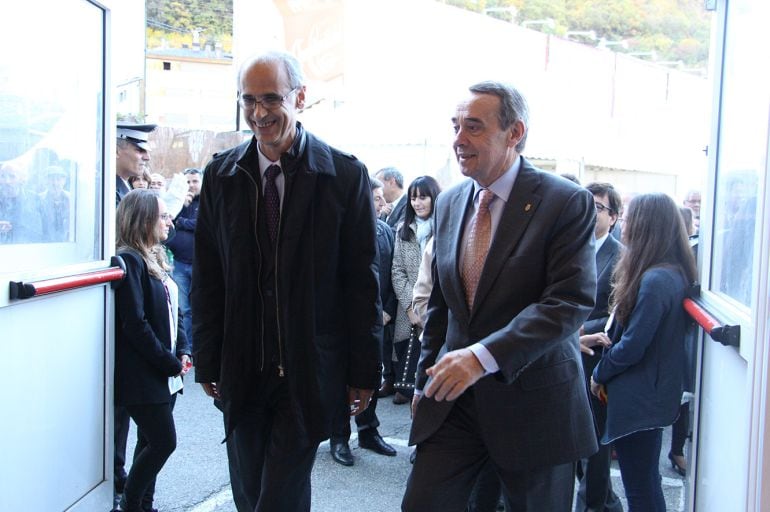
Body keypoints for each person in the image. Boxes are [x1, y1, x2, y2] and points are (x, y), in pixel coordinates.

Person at [191, 51, 381, 512]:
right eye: (248, 100)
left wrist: (363, 372)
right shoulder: (222, 175)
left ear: (300, 97)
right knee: (250, 494)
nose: (259, 113)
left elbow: (362, 283)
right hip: (242, 368)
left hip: (308, 372)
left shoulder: (344, 175)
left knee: (278, 498)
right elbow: (208, 275)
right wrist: (207, 357)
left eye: (271, 98)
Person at [402, 81, 598, 512]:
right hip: (454, 403)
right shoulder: (451, 202)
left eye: (473, 127)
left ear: (515, 133)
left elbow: (568, 302)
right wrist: (423, 382)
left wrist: (481, 357)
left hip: (534, 404)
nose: (458, 139)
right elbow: (442, 307)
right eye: (455, 126)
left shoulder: (565, 203)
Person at [590, 193, 697, 511]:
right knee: (645, 484)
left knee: (639, 488)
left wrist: (599, 373)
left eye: (631, 218)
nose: (625, 223)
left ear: (647, 225)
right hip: (652, 395)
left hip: (640, 399)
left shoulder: (655, 280)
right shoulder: (671, 272)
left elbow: (633, 345)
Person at [114, 189, 191, 512]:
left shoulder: (155, 254)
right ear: (142, 219)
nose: (169, 220)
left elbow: (176, 312)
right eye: (162, 215)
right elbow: (135, 323)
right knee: (163, 442)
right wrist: (168, 362)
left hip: (165, 370)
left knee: (149, 442)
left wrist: (184, 350)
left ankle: (145, 505)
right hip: (144, 373)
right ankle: (131, 505)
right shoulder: (129, 258)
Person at [328, 177, 398, 466]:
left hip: (376, 320)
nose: (382, 204)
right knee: (340, 379)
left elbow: (394, 275)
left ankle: (369, 432)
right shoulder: (337, 232)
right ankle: (339, 437)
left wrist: (389, 310)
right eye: (376, 198)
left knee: (370, 373)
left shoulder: (384, 232)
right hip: (342, 322)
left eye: (382, 198)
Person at [574, 182, 624, 512]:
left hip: (596, 358)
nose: (592, 213)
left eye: (599, 208)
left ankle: (593, 503)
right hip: (568, 355)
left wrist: (576, 332)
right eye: (587, 205)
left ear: (614, 217)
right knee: (575, 439)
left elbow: (614, 315)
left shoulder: (620, 257)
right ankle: (605, 502)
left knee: (595, 441)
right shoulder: (572, 246)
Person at [391, 175, 441, 405]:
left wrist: (427, 308)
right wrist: (412, 307)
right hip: (408, 311)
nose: (418, 203)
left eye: (423, 197)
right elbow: (397, 271)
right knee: (406, 362)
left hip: (438, 307)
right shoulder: (402, 230)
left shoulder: (446, 229)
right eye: (413, 198)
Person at [165, 168, 201, 349]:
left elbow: (201, 224)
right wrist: (180, 209)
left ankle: (201, 348)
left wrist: (182, 223)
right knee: (183, 309)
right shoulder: (178, 204)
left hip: (200, 264)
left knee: (200, 307)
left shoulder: (205, 201)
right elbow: (168, 223)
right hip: (179, 263)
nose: (191, 185)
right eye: (188, 182)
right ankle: (187, 348)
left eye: (195, 181)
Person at [0, 161, 44, 244]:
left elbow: (43, 232)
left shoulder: (34, 199)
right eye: (2, 176)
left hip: (25, 251)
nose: (7, 181)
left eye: (12, 176)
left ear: (21, 179)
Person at [116, 123, 157, 206]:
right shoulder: (106, 191)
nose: (147, 157)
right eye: (139, 150)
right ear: (116, 151)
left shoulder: (125, 186)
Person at [38, 165, 71, 242]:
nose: (55, 183)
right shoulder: (38, 200)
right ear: (45, 181)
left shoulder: (72, 199)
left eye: (58, 179)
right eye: (51, 179)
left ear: (64, 181)